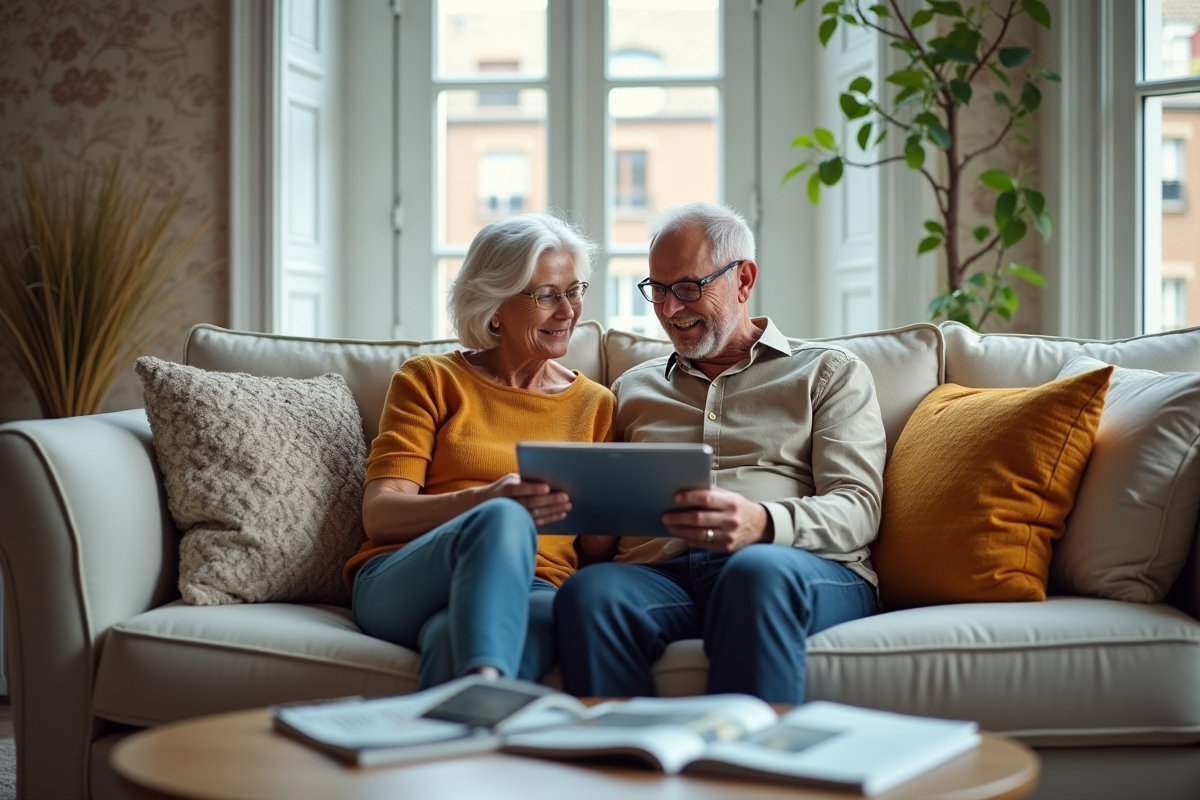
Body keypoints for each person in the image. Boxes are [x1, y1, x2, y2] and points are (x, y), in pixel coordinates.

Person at [554, 201, 885, 704]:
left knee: (755, 575)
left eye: (687, 288)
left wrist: (763, 522)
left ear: (744, 279)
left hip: (789, 566)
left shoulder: (828, 373)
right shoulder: (631, 389)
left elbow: (859, 506)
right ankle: (626, 767)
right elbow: (599, 533)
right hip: (661, 577)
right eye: (657, 291)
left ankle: (746, 774)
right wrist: (592, 524)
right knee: (591, 594)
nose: (668, 310)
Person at [345, 212, 615, 689]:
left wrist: (616, 502)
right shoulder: (430, 380)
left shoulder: (595, 405)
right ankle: (487, 688)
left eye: (575, 290)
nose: (569, 311)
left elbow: (594, 549)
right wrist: (486, 501)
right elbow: (381, 515)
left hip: (535, 583)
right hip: (409, 573)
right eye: (548, 295)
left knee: (453, 637)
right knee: (503, 519)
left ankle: (465, 721)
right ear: (495, 307)